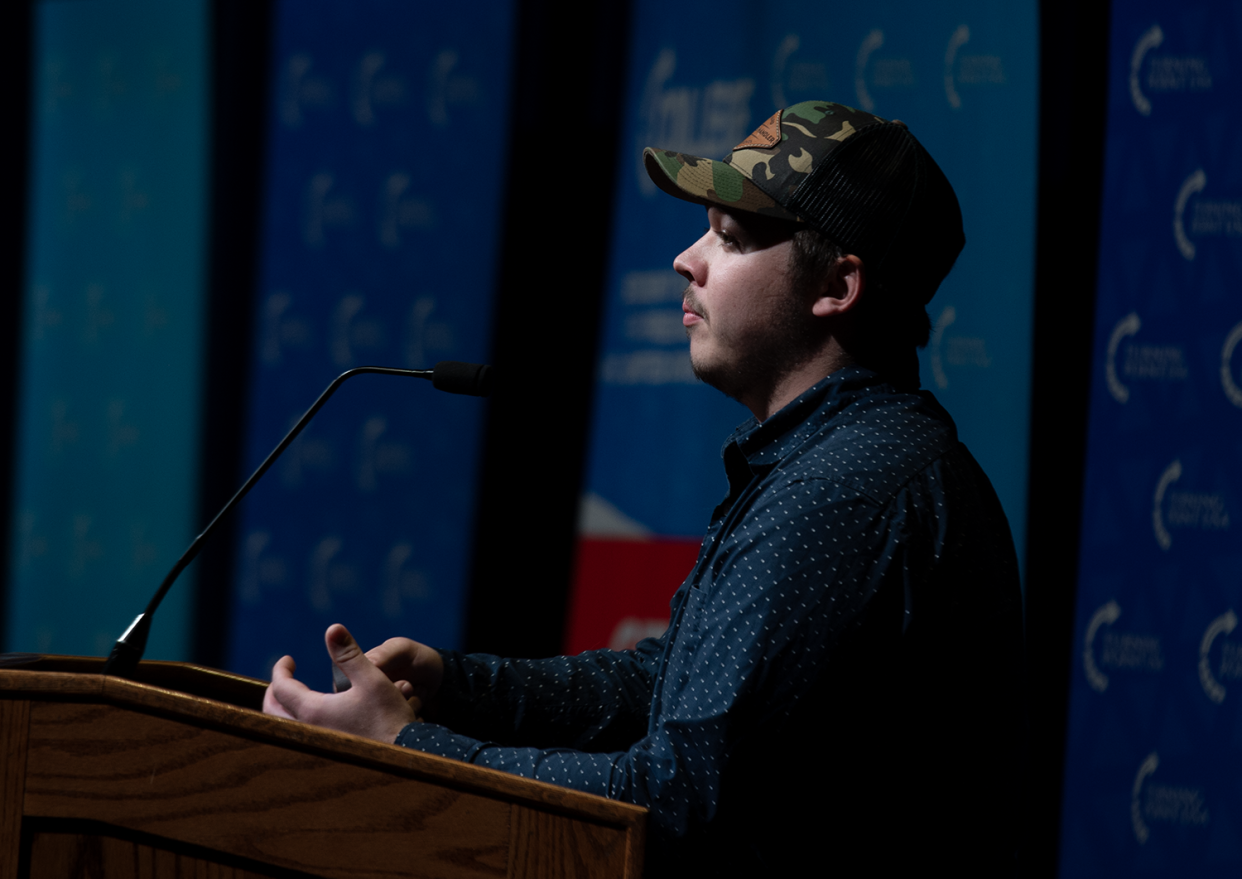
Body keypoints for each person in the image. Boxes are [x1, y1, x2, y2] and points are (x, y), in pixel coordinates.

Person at [264, 100, 1025, 876]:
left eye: (729, 238)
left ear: (838, 283)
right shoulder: (835, 459)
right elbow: (672, 683)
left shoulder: (846, 496)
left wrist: (406, 746)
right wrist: (461, 685)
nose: (685, 259)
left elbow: (676, 800)